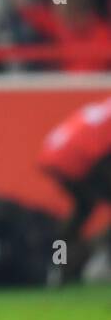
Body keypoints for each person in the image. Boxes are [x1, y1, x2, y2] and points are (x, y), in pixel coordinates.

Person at [37, 96, 111, 282]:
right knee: (84, 208)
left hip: (55, 153)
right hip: (79, 155)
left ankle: (57, 264)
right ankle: (99, 254)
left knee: (82, 210)